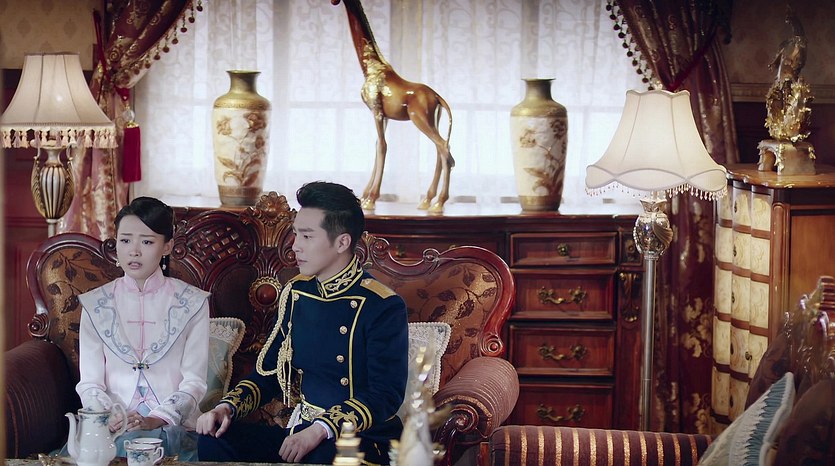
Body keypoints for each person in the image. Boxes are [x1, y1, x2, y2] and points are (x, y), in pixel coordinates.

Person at [197, 181, 409, 464]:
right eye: (296, 234)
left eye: (307, 236)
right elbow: (270, 374)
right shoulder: (297, 293)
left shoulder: (381, 305)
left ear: (342, 242)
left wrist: (321, 429)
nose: (295, 246)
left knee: (322, 457)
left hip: (361, 440)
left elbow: (386, 394)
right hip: (302, 432)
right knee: (214, 438)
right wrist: (227, 407)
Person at [72, 197, 210, 460]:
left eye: (146, 242)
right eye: (125, 240)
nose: (133, 251)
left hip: (172, 426)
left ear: (167, 246)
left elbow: (194, 382)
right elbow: (90, 382)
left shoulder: (193, 303)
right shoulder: (95, 304)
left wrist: (157, 418)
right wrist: (111, 416)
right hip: (113, 427)